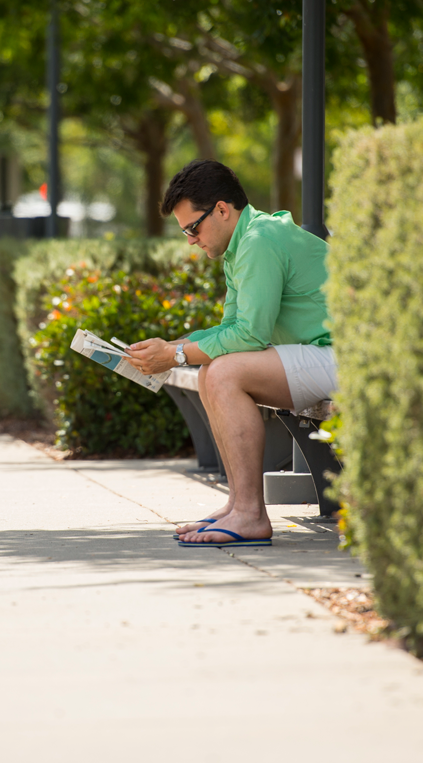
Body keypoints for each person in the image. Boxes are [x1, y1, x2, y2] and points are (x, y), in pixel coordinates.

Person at [125, 160, 337, 547]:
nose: (191, 239)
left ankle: (252, 515)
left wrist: (175, 357)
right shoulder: (241, 245)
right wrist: (173, 347)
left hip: (347, 357)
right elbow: (231, 330)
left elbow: (250, 335)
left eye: (193, 227)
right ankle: (240, 504)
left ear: (222, 209)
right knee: (211, 370)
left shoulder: (259, 241)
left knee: (223, 372)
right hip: (321, 356)